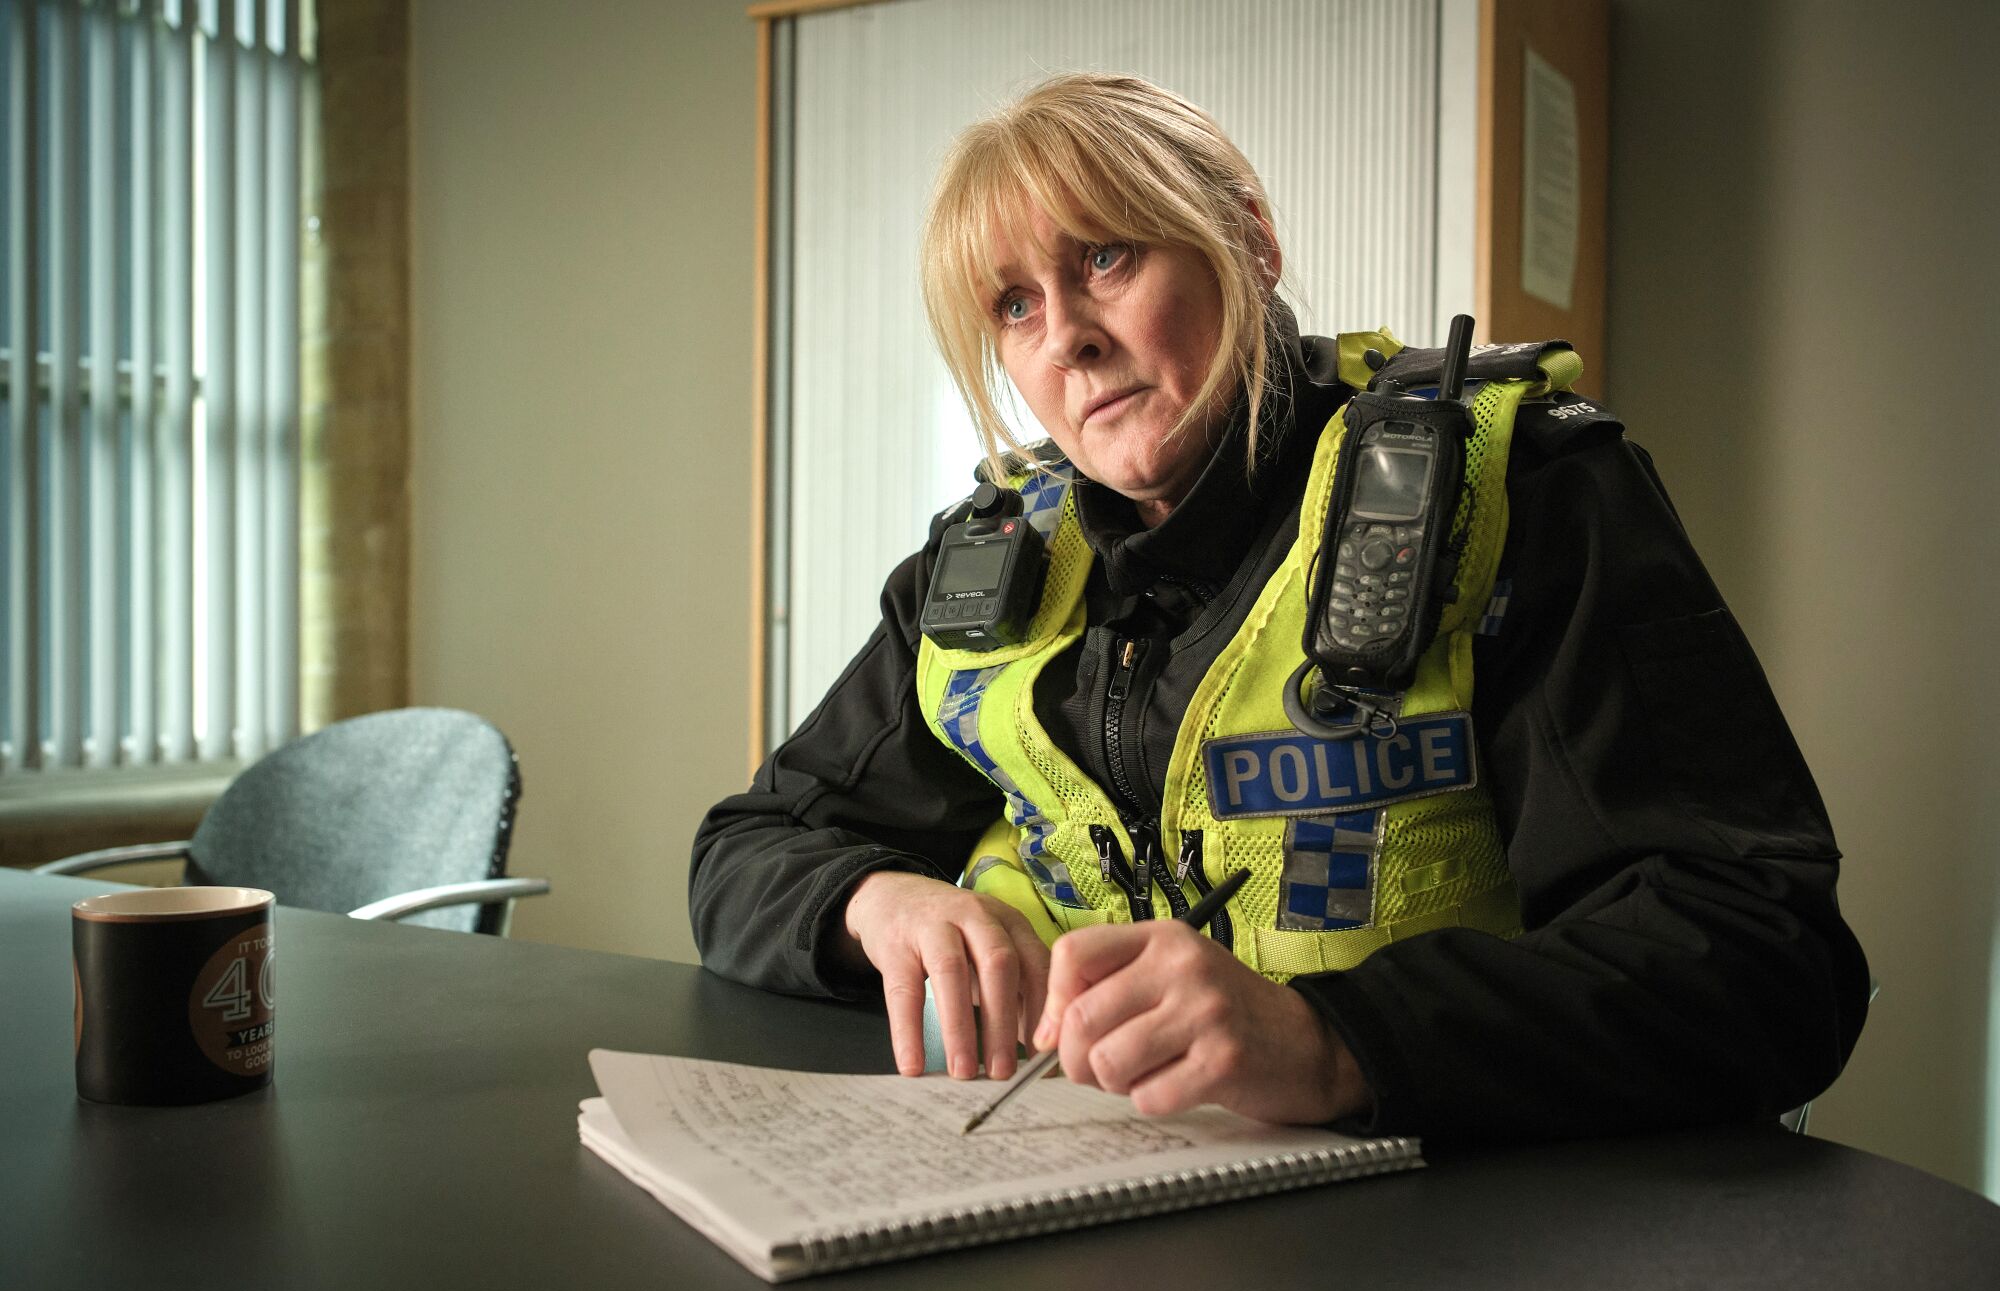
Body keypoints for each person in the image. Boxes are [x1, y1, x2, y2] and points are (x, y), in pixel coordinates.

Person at [690, 72, 1870, 1142]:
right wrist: (871, 900)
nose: (1070, 340)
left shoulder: (1521, 495)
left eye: (1103, 257)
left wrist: (1336, 1040)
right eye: (1012, 306)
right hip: (1069, 1211)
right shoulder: (987, 566)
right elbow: (744, 850)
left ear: (1246, 239)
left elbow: (1762, 956)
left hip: (1474, 1232)